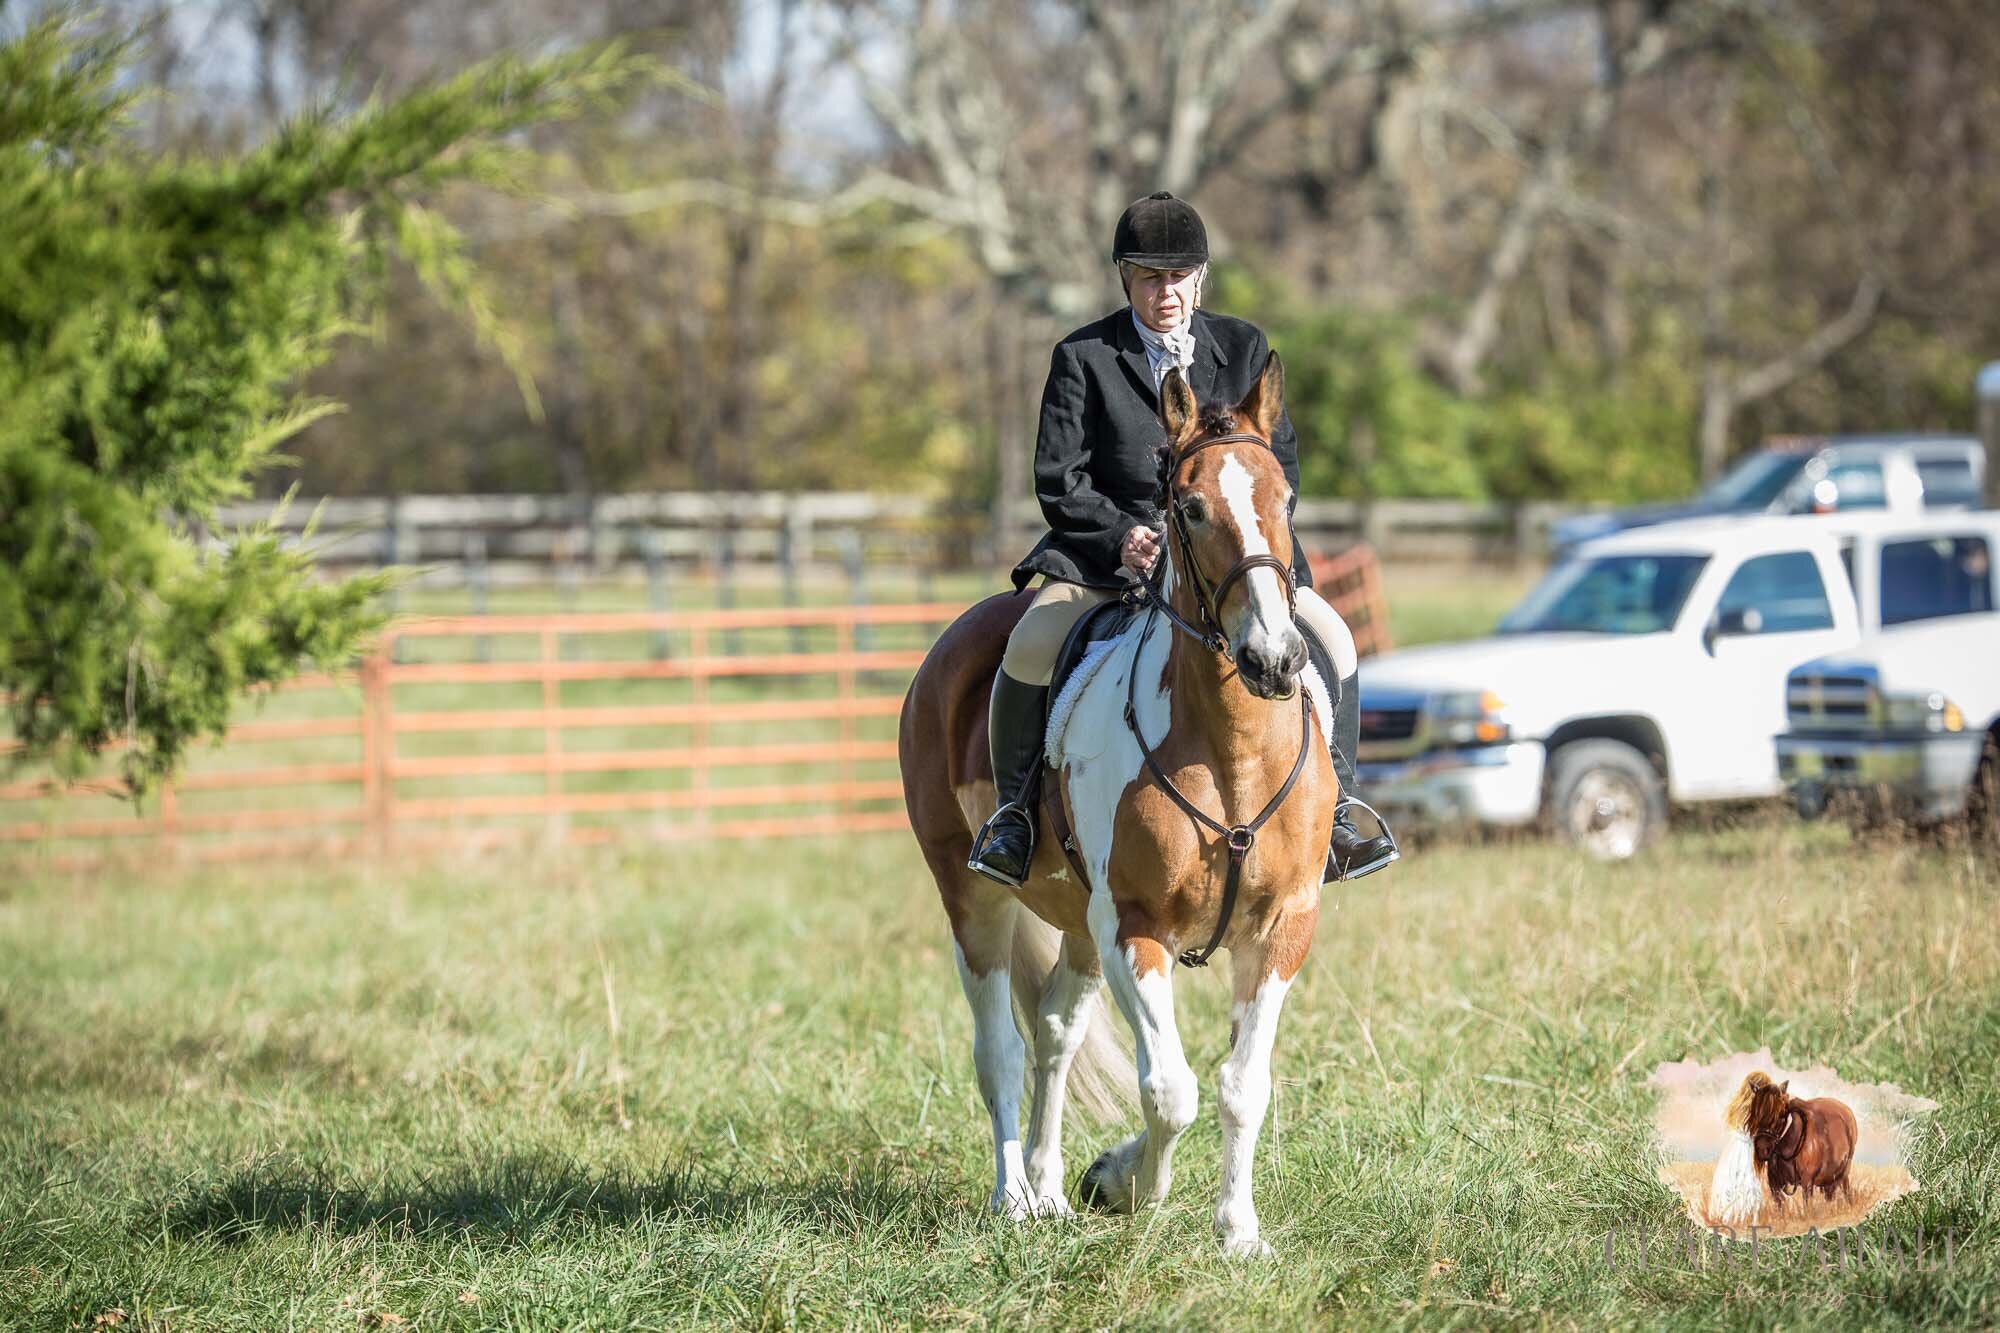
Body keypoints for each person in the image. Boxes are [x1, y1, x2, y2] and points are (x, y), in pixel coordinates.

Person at [969, 189, 1399, 889]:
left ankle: (1340, 811)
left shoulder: (1244, 347)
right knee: (1031, 642)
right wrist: (1123, 536)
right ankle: (1015, 817)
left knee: (1336, 638)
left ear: (1200, 278)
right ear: (1125, 279)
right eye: (1148, 276)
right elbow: (1059, 479)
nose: (1164, 291)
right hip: (1108, 559)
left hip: (1227, 557)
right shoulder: (1083, 357)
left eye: (1177, 276)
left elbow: (1277, 466)